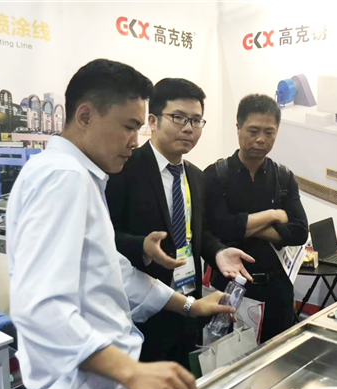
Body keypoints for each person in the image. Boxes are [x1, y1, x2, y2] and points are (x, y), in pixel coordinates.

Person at [6, 59, 234, 389]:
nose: (134, 140)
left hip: (99, 383)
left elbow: (114, 272)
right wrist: (132, 372)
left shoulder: (82, 176)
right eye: (128, 127)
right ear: (85, 115)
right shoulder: (63, 177)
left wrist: (189, 306)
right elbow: (41, 306)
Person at [106, 78, 253, 370]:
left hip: (189, 305)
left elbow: (195, 232)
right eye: (178, 118)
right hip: (140, 312)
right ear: (152, 121)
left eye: (196, 120)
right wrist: (142, 246)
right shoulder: (124, 169)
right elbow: (104, 237)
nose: (188, 128)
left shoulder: (196, 177)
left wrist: (217, 252)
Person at [204, 94, 309, 343]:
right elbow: (216, 229)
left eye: (269, 132)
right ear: (238, 128)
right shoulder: (216, 175)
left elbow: (299, 231)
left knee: (278, 355)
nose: (261, 139)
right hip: (230, 288)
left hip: (277, 289)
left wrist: (239, 226)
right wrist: (272, 216)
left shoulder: (283, 177)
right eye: (253, 131)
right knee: (227, 357)